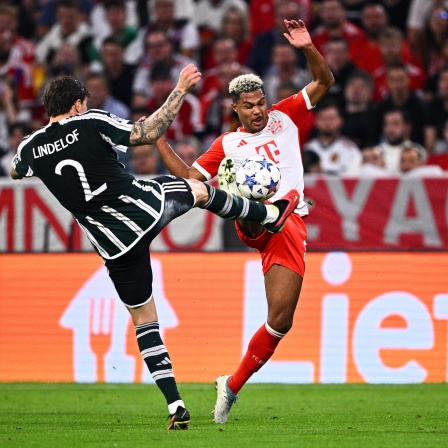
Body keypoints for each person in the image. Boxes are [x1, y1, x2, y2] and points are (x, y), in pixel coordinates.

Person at [9, 64, 300, 429]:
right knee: (198, 191)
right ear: (80, 103)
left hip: (112, 243)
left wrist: (33, 160)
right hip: (143, 208)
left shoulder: (29, 148)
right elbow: (148, 131)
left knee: (144, 319)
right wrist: (179, 89)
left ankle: (175, 404)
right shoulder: (91, 120)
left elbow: (16, 171)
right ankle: (268, 213)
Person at [154, 19, 334, 424]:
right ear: (234, 108)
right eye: (249, 106)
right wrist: (157, 139)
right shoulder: (228, 144)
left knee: (280, 321)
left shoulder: (285, 116)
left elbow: (324, 80)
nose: (258, 111)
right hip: (257, 221)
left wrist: (307, 46)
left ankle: (230, 386)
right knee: (251, 202)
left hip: (289, 226)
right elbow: (189, 178)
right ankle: (261, 205)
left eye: (260, 103)